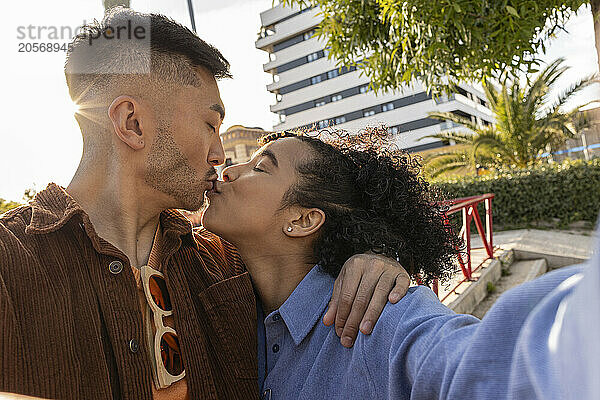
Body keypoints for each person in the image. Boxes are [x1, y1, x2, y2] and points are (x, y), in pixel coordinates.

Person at [0, 8, 410, 400]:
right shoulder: (9, 265)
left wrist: (371, 260)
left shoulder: (227, 261)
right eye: (210, 124)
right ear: (132, 123)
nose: (219, 155)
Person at [202, 129, 600, 400]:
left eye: (261, 167)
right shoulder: (216, 293)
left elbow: (473, 366)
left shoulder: (377, 316)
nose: (230, 170)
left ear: (303, 219)